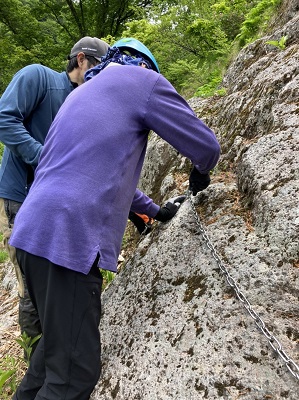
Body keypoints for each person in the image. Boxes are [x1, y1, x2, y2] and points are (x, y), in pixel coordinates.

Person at [10, 38, 220, 399]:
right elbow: (206, 146)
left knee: (48, 362)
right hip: (67, 240)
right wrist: (201, 173)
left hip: (32, 232)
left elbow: (97, 178)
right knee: (73, 376)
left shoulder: (79, 96)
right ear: (144, 65)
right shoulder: (144, 82)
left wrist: (155, 211)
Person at [0, 36, 110, 351]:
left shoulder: (86, 105)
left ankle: (57, 353)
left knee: (54, 281)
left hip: (54, 206)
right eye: (100, 68)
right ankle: (35, 358)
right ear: (81, 60)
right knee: (30, 287)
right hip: (19, 199)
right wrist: (44, 156)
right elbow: (5, 118)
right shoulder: (39, 77)